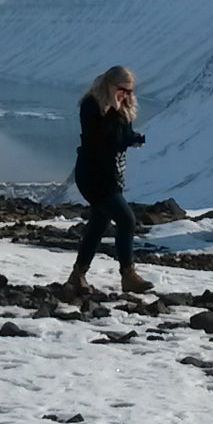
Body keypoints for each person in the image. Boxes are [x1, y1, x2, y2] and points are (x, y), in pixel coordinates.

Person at [66, 64, 149, 296]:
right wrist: (112, 110)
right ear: (110, 85)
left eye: (130, 91)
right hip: (93, 175)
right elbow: (99, 140)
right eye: (123, 89)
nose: (127, 95)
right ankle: (128, 275)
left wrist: (134, 138)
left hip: (112, 174)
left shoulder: (123, 107)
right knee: (126, 220)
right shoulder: (92, 105)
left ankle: (77, 275)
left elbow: (120, 137)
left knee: (98, 224)